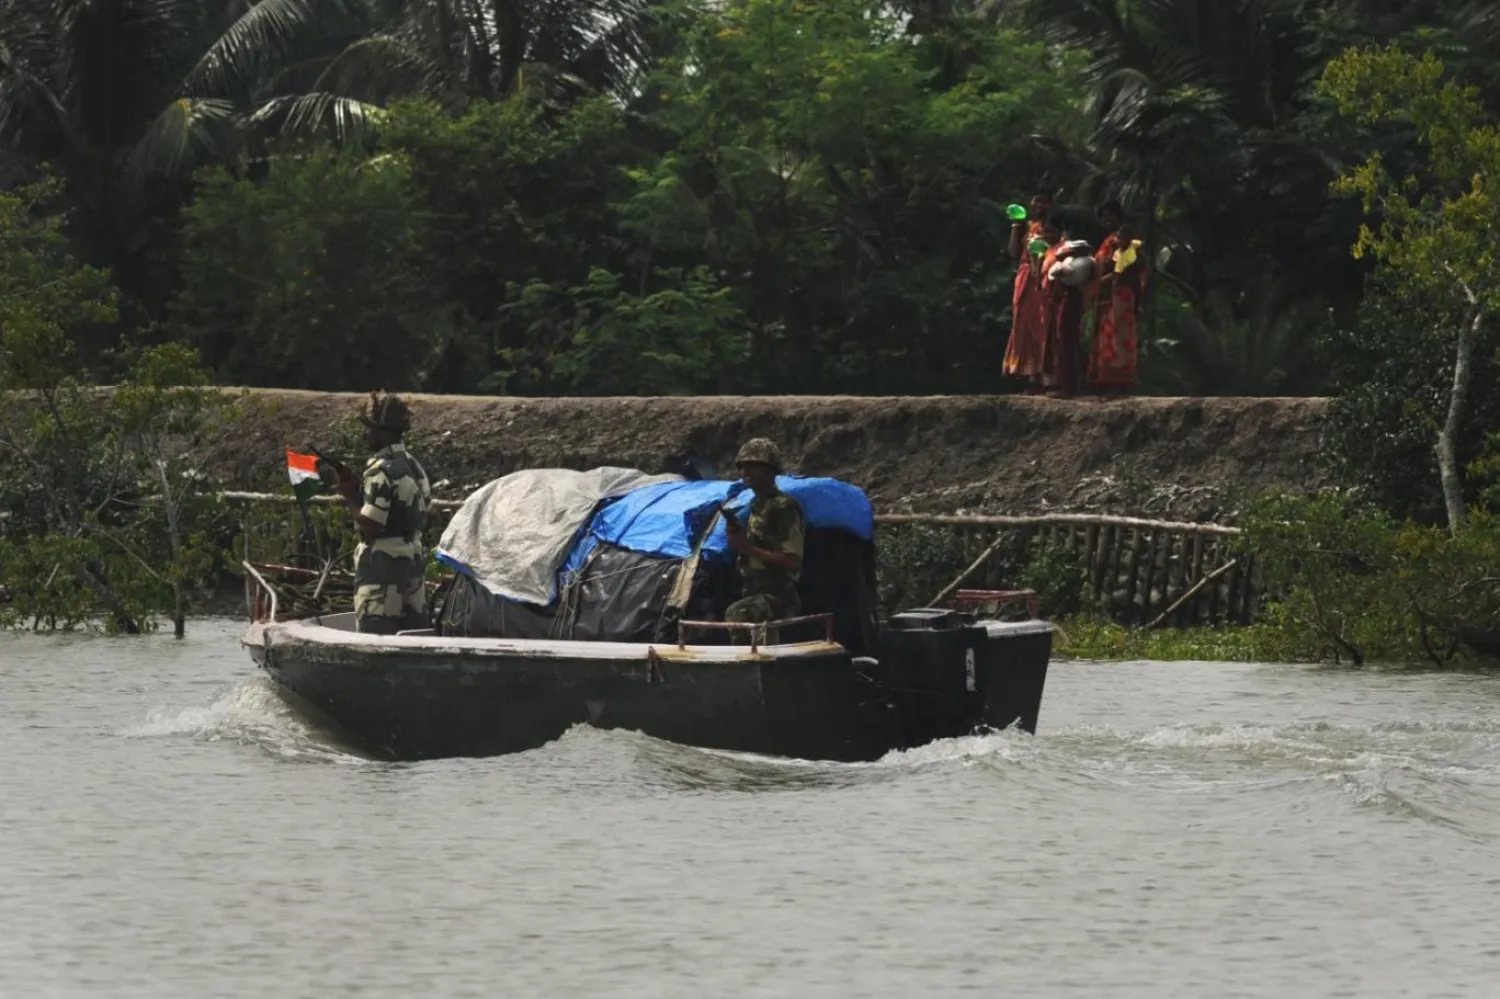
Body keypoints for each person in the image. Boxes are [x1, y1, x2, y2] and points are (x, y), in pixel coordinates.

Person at [329, 392, 433, 635]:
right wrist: (360, 493)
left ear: (384, 432)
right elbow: (420, 506)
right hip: (413, 557)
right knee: (414, 633)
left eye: (370, 428)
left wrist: (348, 495)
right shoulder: (412, 464)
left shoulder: (379, 469)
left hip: (383, 565)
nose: (366, 434)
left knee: (375, 633)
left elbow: (371, 524)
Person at [723, 438, 805, 630]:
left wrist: (747, 548)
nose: (746, 472)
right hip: (752, 589)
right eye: (742, 467)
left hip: (778, 594)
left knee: (738, 615)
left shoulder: (783, 507)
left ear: (771, 470)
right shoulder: (756, 505)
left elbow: (792, 560)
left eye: (753, 466)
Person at [1087, 200, 1145, 394]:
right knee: (1106, 337)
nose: (1107, 220)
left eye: (1111, 215)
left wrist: (1101, 282)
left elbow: (1130, 268)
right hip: (1105, 296)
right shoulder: (1106, 241)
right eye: (1104, 216)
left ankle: (1119, 382)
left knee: (1118, 337)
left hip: (1120, 294)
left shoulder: (1124, 240)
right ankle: (1105, 380)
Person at [1003, 192, 1053, 392]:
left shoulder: (1053, 228)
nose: (1039, 204)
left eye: (1044, 200)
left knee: (1041, 324)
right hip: (1025, 277)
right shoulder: (1027, 227)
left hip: (1044, 275)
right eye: (1036, 200)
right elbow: (1013, 253)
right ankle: (1026, 374)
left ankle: (1042, 375)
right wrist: (1016, 225)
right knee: (1022, 323)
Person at [1039, 226, 1092, 399]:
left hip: (1069, 300)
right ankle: (1066, 382)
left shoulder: (1082, 262)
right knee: (1062, 340)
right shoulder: (1066, 260)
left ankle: (1068, 384)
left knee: (1066, 340)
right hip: (1059, 300)